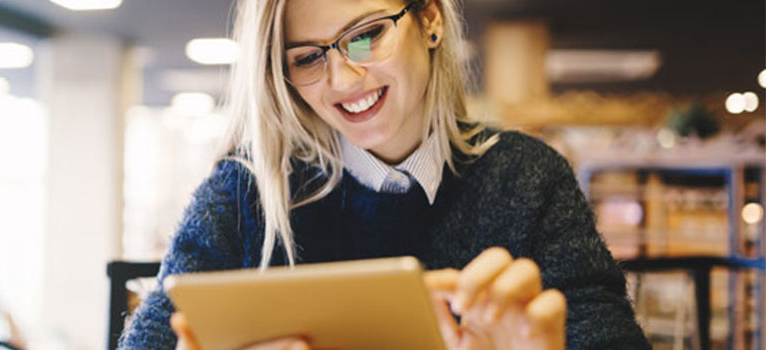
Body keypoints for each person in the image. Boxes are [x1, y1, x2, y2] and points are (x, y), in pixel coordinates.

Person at [119, 0, 650, 349]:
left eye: (366, 34)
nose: (343, 79)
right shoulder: (246, 194)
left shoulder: (527, 179)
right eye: (307, 58)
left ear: (431, 19)